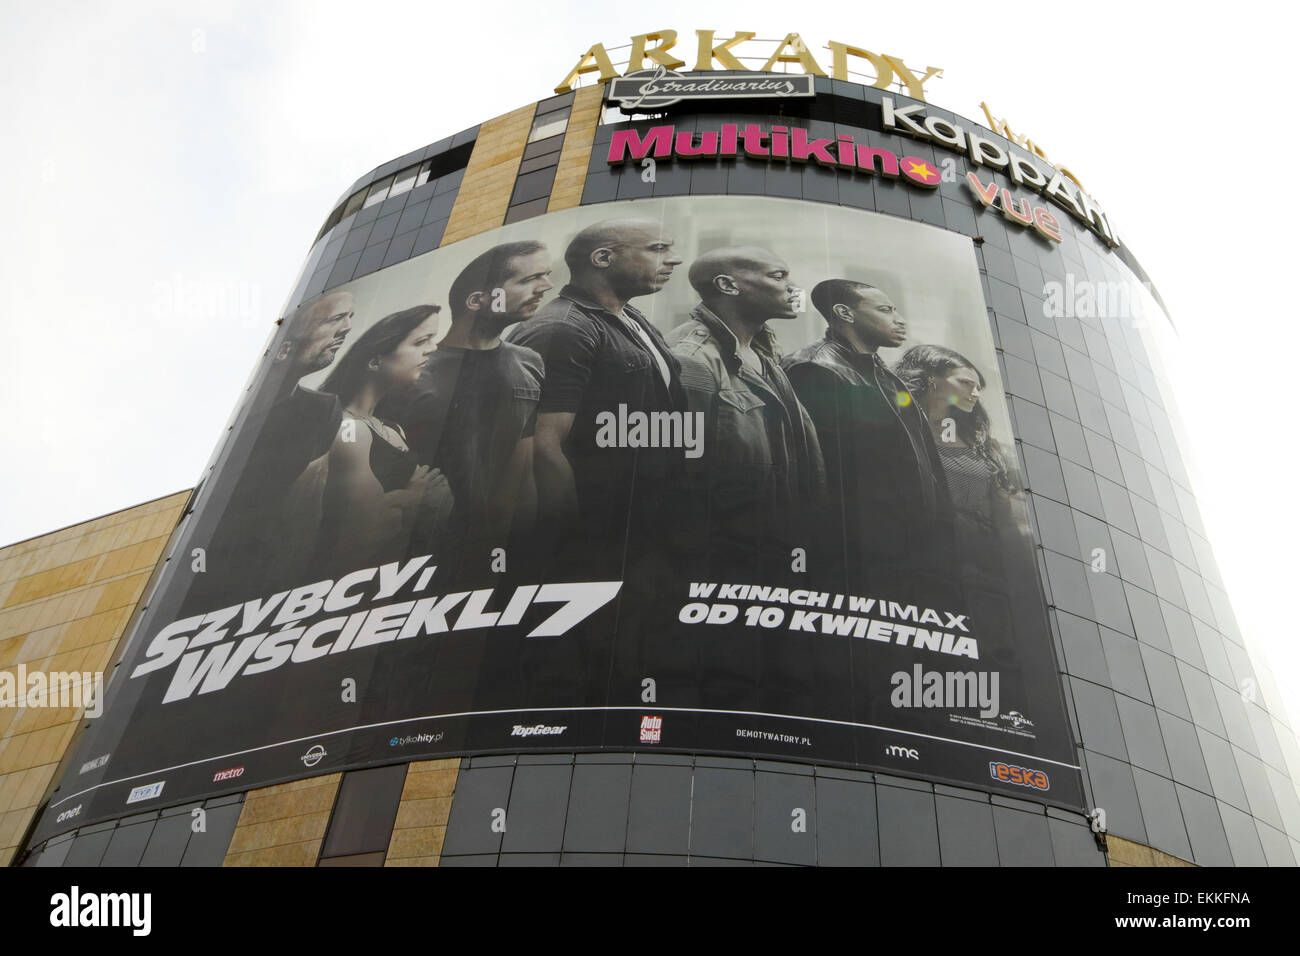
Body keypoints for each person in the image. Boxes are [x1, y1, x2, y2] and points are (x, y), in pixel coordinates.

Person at [505, 218, 686, 574]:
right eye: (659, 249)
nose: (675, 260)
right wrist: (573, 547)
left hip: (644, 527)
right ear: (602, 259)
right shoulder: (563, 328)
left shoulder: (629, 316)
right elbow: (541, 448)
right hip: (596, 541)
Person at [376, 242, 550, 575]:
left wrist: (526, 542)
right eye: (529, 279)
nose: (545, 287)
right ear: (477, 301)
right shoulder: (412, 375)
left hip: (498, 552)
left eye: (546, 276)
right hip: (419, 558)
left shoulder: (529, 362)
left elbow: (523, 466)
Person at [186, 291, 355, 609]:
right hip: (199, 579)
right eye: (335, 319)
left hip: (263, 579)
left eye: (350, 319)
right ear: (284, 349)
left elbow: (304, 509)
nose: (346, 328)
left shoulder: (322, 410)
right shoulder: (226, 422)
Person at [666, 246, 824, 572]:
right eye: (778, 276)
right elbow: (674, 479)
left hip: (775, 552)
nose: (794, 288)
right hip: (719, 563)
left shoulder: (764, 350)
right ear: (728, 285)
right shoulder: (690, 358)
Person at [783, 280, 951, 586]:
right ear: (845, 313)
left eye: (896, 310)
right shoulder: (814, 368)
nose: (899, 319)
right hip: (854, 555)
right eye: (885, 310)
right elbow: (813, 471)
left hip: (909, 549)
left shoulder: (885, 376)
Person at [314, 306, 454, 576]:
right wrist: (414, 499)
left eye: (432, 339)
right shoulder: (349, 430)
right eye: (420, 341)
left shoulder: (391, 428)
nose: (433, 348)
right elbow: (363, 539)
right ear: (375, 362)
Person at [892, 344, 1019, 556]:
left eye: (978, 387)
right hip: (909, 552)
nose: (976, 393)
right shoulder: (893, 425)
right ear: (930, 379)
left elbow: (1005, 521)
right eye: (966, 383)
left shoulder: (982, 443)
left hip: (977, 559)